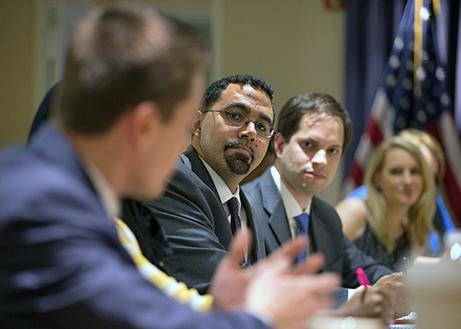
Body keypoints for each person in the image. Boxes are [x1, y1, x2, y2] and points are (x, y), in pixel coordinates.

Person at [0, 4, 340, 329]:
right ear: (145, 126)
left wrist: (221, 304)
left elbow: (143, 303)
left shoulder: (58, 191)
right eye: (180, 127)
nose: (182, 146)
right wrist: (263, 315)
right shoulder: (44, 208)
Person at [242, 93, 408, 320]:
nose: (321, 159)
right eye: (309, 145)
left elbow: (363, 271)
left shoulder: (325, 215)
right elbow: (263, 291)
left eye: (333, 150)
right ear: (280, 145)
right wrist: (356, 297)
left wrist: (398, 287)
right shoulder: (244, 206)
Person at [133, 74, 275, 293]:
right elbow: (214, 277)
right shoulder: (172, 179)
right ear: (197, 124)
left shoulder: (246, 207)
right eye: (235, 116)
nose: (250, 133)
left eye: (262, 127)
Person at [338, 129, 456, 256]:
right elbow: (319, 254)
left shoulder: (413, 226)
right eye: (397, 171)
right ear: (378, 178)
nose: (408, 181)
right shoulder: (357, 208)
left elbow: (451, 249)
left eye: (416, 171)